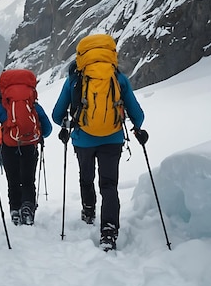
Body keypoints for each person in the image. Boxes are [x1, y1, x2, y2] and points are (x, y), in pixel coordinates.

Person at [52, 34, 147, 252]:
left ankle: (88, 210)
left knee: (86, 177)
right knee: (109, 185)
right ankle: (109, 231)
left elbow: (57, 115)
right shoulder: (118, 78)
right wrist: (135, 126)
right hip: (113, 139)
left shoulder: (75, 79)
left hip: (82, 140)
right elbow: (138, 115)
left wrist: (69, 123)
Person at [0, 69, 53, 226]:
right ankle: (28, 206)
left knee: (13, 181)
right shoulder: (33, 106)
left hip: (8, 148)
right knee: (28, 180)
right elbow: (48, 130)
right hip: (30, 147)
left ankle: (15, 210)